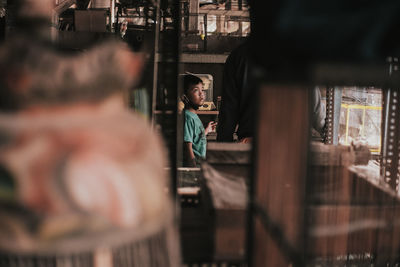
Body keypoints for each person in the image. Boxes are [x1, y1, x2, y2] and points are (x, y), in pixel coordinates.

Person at [216, 41, 254, 143]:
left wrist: (223, 146)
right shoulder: (294, 51)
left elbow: (229, 109)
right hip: (290, 141)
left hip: (250, 141)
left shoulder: (239, 55)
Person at [183, 74, 217, 167]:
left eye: (202, 90)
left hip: (199, 165)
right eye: (196, 90)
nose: (201, 93)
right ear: (184, 97)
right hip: (194, 167)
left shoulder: (193, 115)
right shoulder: (187, 117)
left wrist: (207, 130)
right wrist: (194, 169)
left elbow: (195, 138)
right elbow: (188, 147)